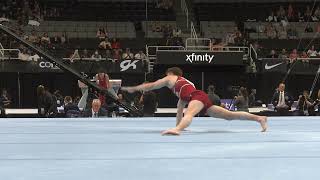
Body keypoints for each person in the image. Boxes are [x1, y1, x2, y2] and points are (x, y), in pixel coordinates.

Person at [122, 67, 267, 135]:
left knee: (190, 114)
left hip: (197, 97)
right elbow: (179, 109)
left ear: (171, 74)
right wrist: (179, 125)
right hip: (200, 97)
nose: (165, 79)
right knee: (229, 115)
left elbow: (152, 85)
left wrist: (134, 88)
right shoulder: (183, 87)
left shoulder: (171, 78)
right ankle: (259, 118)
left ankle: (177, 131)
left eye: (166, 75)